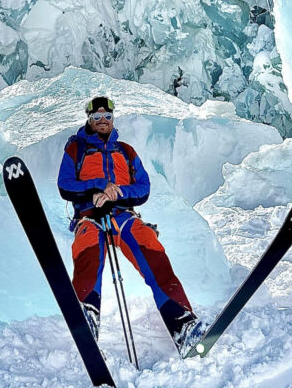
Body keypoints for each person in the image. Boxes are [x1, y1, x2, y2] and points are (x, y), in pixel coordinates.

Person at [57, 94, 204, 355]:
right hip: (89, 215)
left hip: (122, 215)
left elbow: (143, 188)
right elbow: (65, 185)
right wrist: (97, 186)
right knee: (88, 246)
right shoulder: (76, 149)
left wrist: (118, 193)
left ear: (113, 119)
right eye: (97, 117)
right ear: (89, 119)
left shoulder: (126, 151)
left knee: (150, 247)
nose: (103, 121)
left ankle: (181, 322)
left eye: (107, 116)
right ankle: (86, 317)